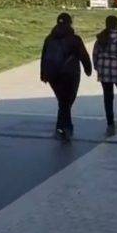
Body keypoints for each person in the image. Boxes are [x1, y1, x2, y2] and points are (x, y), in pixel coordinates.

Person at [39, 12, 93, 142]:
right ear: (70, 23)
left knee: (63, 101)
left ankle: (61, 126)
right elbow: (84, 56)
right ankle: (65, 127)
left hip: (52, 75)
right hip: (70, 74)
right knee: (66, 101)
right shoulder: (74, 39)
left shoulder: (49, 38)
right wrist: (88, 69)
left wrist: (43, 73)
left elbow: (44, 56)